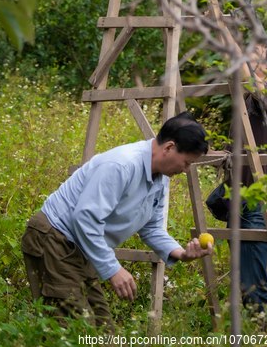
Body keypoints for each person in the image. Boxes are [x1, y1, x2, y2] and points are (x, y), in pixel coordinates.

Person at [21, 113, 212, 330]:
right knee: (74, 330)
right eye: (186, 163)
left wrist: (182, 254)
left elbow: (151, 228)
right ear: (169, 147)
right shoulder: (122, 164)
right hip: (54, 239)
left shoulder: (160, 178)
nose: (185, 170)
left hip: (82, 247)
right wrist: (113, 270)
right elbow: (85, 217)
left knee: (104, 331)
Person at [227, 45, 267, 318]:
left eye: (255, 56)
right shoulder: (252, 95)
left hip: (258, 198)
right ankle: (259, 333)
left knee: (255, 282)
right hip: (241, 198)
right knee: (244, 278)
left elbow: (242, 70)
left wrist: (224, 30)